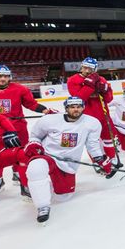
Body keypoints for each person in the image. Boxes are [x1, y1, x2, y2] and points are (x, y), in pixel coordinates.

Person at [21, 96, 112, 224]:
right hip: (48, 156)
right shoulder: (49, 120)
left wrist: (100, 159)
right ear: (66, 108)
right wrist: (35, 144)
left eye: (79, 107)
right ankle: (42, 206)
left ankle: (47, 187)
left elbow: (92, 145)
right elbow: (35, 136)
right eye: (72, 107)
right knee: (36, 168)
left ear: (83, 107)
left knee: (63, 197)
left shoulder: (92, 123)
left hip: (68, 163)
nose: (76, 109)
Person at [0, 64, 57, 185]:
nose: (3, 79)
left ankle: (18, 173)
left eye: (6, 76)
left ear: (10, 77)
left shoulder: (20, 89)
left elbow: (31, 104)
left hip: (17, 127)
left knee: (20, 152)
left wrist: (45, 110)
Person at [66, 57, 119, 166]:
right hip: (86, 117)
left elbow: (109, 99)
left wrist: (105, 91)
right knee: (91, 142)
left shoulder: (101, 79)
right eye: (85, 67)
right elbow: (78, 100)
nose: (86, 71)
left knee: (109, 139)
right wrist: (90, 85)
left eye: (90, 69)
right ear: (81, 66)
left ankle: (112, 157)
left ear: (94, 70)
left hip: (104, 115)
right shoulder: (72, 80)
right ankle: (97, 162)